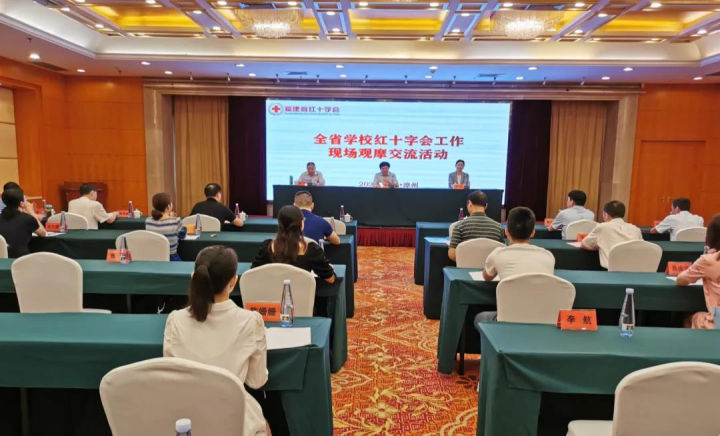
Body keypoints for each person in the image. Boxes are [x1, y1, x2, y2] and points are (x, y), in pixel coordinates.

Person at [163, 246, 270, 435]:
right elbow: (256, 381)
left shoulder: (175, 320)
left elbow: (172, 377)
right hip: (233, 419)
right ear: (233, 281)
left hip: (187, 421)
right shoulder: (250, 321)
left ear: (193, 278)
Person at [475, 207, 556, 322]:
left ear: (506, 232)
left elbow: (486, 277)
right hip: (542, 319)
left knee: (479, 317)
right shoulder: (548, 256)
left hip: (508, 319)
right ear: (533, 232)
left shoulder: (498, 254)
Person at [252, 205, 335, 284]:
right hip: (303, 293)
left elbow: (253, 273)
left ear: (279, 225)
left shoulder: (267, 247)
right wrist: (328, 267)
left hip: (272, 293)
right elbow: (330, 279)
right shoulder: (312, 250)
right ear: (301, 225)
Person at [676, 214, 720, 329]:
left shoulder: (709, 260)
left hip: (718, 322)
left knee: (690, 318)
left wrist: (706, 257)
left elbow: (681, 280)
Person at [581, 200, 642, 269]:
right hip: (634, 270)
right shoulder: (636, 229)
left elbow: (585, 244)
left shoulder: (603, 227)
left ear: (606, 214)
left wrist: (601, 244)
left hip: (611, 272)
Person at [448, 190, 505, 262]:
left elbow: (452, 254)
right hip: (491, 268)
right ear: (486, 206)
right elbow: (502, 253)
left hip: (465, 268)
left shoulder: (459, 226)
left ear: (470, 204)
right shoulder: (498, 227)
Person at [0, 187, 46, 257]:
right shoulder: (27, 218)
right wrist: (31, 212)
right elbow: (43, 233)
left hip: (2, 258)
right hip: (20, 259)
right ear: (21, 203)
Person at [145, 192, 186, 261]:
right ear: (168, 206)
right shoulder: (176, 221)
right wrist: (172, 218)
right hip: (171, 258)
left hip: (154, 259)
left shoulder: (148, 221)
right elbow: (182, 236)